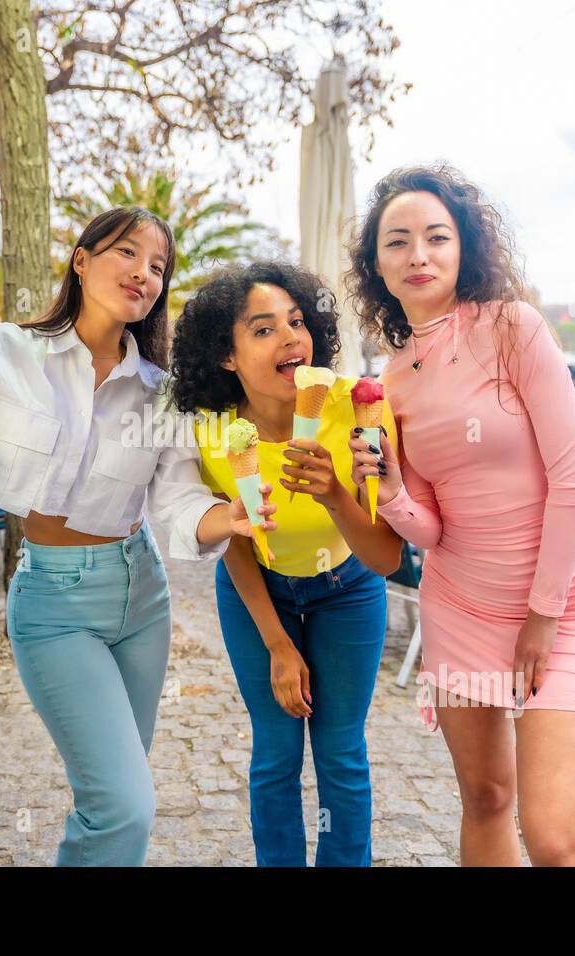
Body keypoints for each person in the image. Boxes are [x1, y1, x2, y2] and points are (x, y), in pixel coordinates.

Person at [345, 163, 575, 866]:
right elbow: (429, 529)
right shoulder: (390, 379)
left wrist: (542, 612)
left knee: (556, 841)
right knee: (485, 802)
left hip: (557, 613)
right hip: (461, 610)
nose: (418, 255)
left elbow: (574, 482)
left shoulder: (515, 329)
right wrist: (384, 489)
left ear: (463, 250)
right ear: (376, 266)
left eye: (436, 238)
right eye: (398, 242)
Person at [0, 207, 276, 866]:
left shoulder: (160, 393)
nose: (143, 273)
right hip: (55, 607)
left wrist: (227, 517)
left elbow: (176, 498)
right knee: (125, 806)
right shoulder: (10, 356)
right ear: (80, 260)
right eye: (126, 253)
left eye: (158, 266)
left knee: (113, 798)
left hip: (142, 598)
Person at [169, 261, 402, 866]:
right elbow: (239, 544)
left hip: (348, 586)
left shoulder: (360, 411)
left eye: (296, 322)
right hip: (258, 593)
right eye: (264, 329)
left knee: (340, 751)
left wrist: (333, 492)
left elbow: (385, 557)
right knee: (275, 752)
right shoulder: (214, 435)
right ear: (227, 355)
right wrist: (276, 644)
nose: (291, 337)